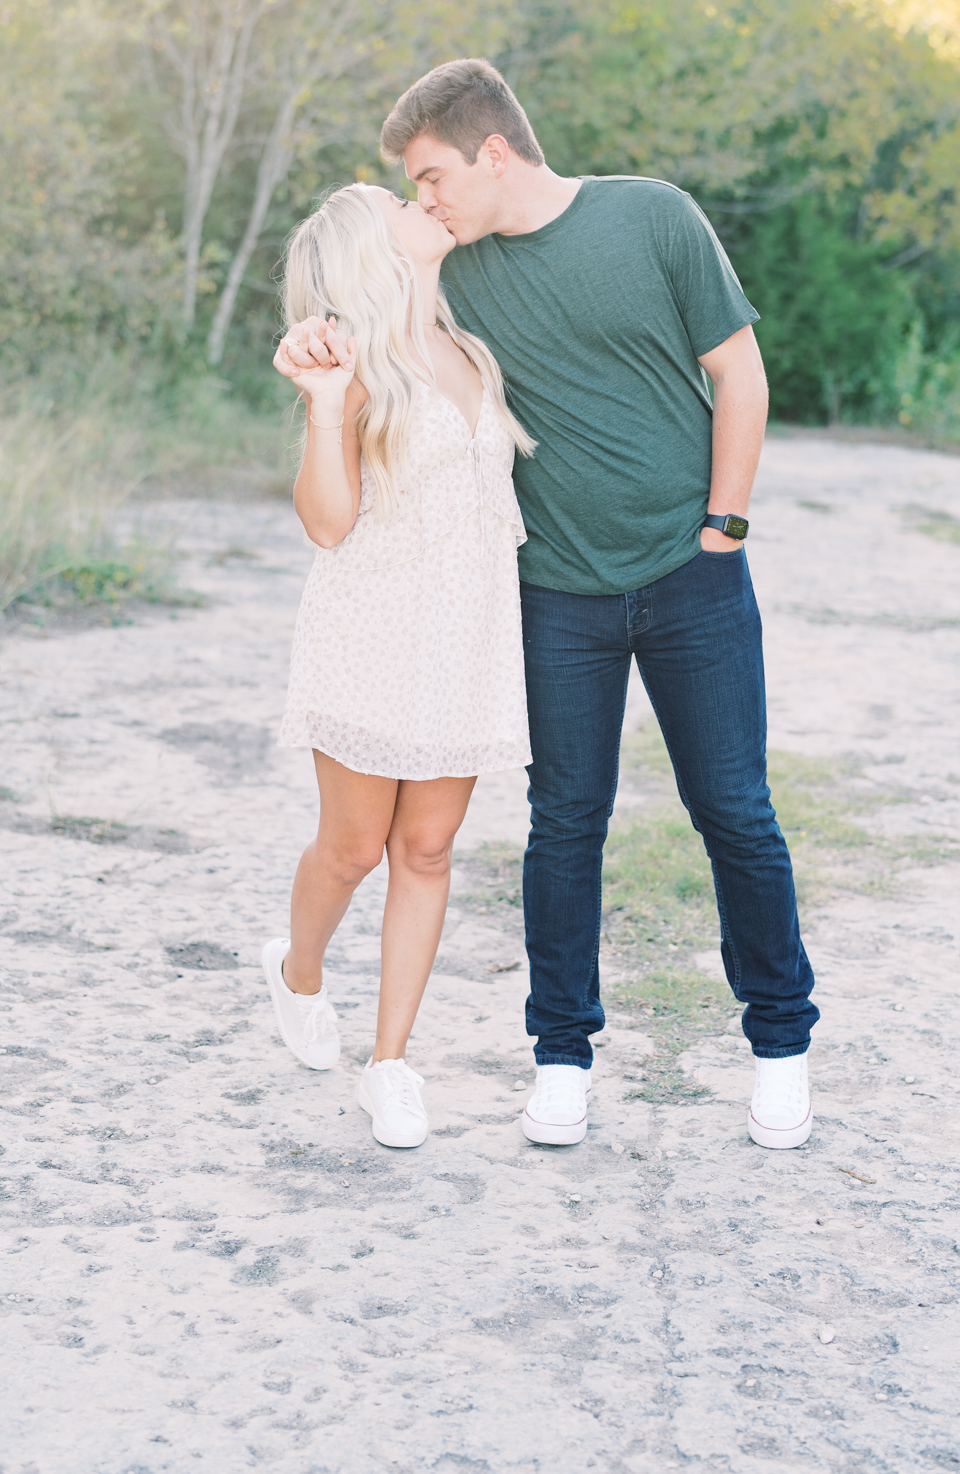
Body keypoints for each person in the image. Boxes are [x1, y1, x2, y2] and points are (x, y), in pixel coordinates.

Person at [279, 61, 818, 1151]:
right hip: (552, 598)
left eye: (430, 177)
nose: (423, 202)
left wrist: (723, 529)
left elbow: (741, 377)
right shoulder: (452, 277)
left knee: (736, 814)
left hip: (690, 575)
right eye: (411, 193)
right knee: (563, 827)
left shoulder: (652, 219)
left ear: (491, 152)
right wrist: (314, 359)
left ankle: (780, 1048)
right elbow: (360, 308)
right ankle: (561, 1059)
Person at [264, 181, 533, 1150]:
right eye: (399, 199)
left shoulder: (471, 354)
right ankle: (297, 971)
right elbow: (327, 522)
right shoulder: (355, 364)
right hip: (370, 635)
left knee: (425, 849)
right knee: (352, 849)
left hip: (464, 639)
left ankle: (390, 1065)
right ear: (371, 252)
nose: (423, 200)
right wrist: (325, 406)